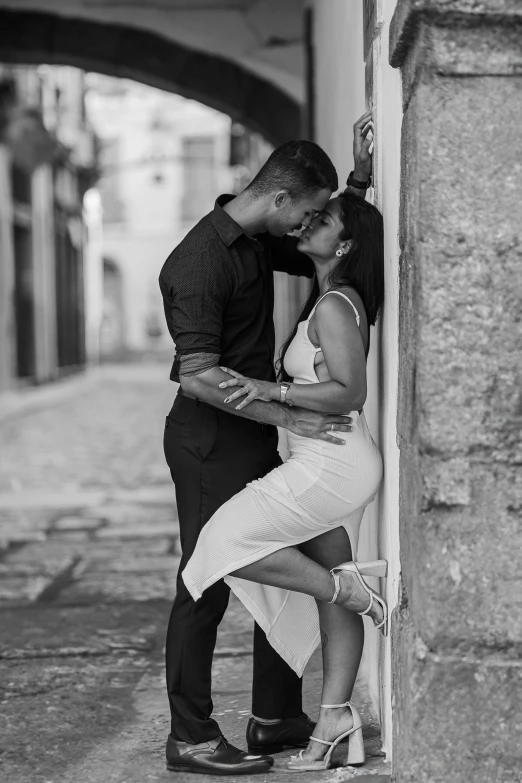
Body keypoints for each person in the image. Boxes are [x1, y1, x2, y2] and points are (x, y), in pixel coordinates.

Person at [159, 113, 373, 776]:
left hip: (253, 429)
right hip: (206, 440)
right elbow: (197, 376)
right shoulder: (197, 261)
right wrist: (287, 410)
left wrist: (359, 179)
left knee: (287, 558)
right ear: (279, 199)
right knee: (205, 577)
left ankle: (275, 716)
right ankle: (190, 736)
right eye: (303, 211)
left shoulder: (260, 237)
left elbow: (335, 246)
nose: (305, 224)